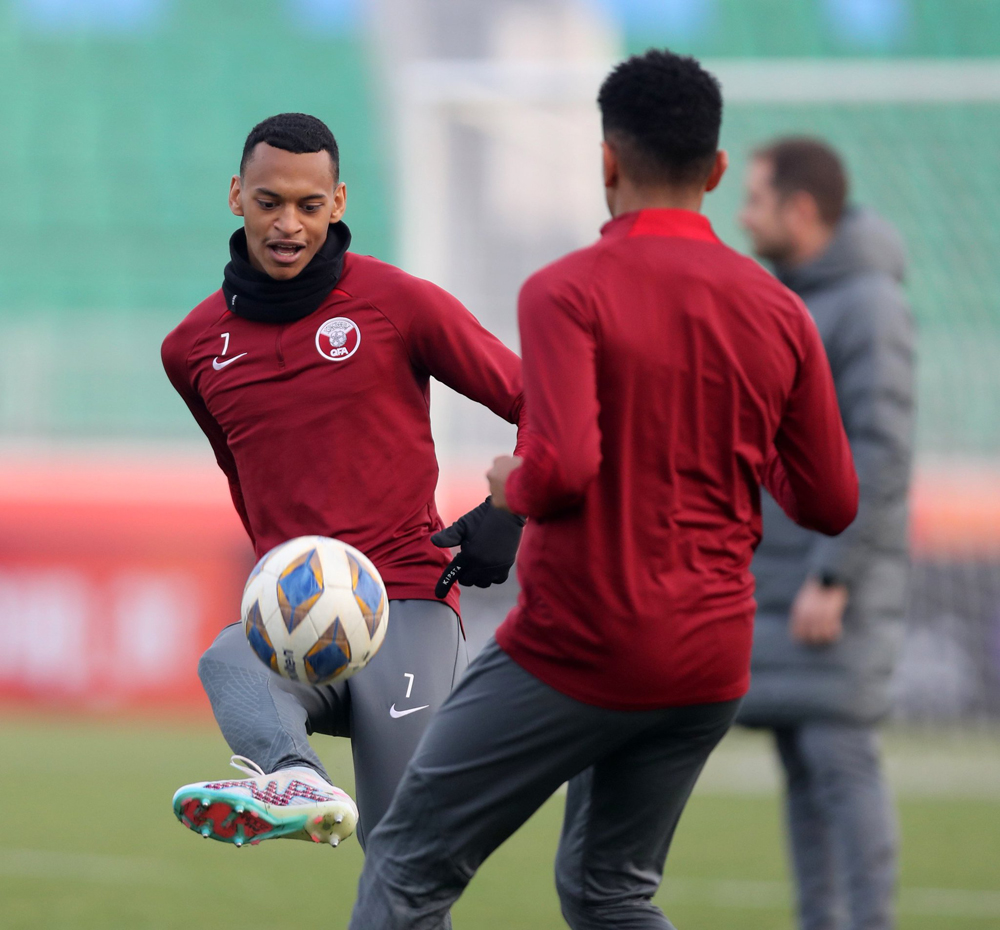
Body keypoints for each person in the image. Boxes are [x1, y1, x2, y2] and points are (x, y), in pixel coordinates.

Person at [347, 49, 859, 930]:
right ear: (718, 170)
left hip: (583, 646)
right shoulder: (780, 310)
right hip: (710, 660)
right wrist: (734, 448)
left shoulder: (566, 291)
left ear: (608, 161)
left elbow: (566, 468)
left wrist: (514, 482)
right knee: (611, 892)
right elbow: (830, 501)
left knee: (407, 861)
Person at [161, 113, 527, 851]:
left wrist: (510, 507)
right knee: (227, 659)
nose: (288, 224)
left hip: (410, 604)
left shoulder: (401, 303)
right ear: (237, 196)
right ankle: (293, 778)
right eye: (269, 202)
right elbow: (247, 481)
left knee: (403, 857)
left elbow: (542, 401)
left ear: (340, 202)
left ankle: (317, 799)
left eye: (309, 204)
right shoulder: (191, 349)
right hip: (294, 612)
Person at [738, 137, 915, 930]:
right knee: (804, 774)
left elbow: (880, 450)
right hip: (780, 581)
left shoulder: (869, 304)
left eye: (755, 199)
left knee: (841, 768)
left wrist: (833, 574)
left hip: (825, 587)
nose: (743, 215)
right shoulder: (799, 296)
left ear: (800, 210)